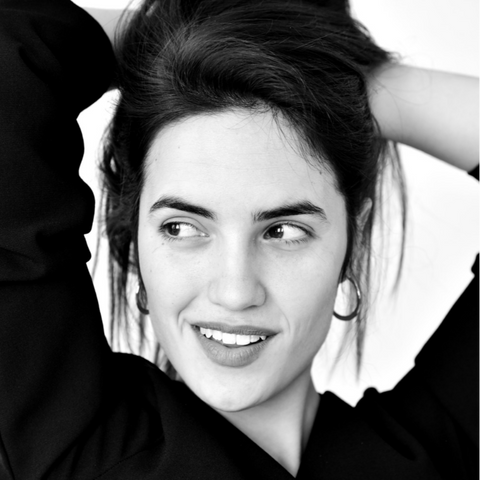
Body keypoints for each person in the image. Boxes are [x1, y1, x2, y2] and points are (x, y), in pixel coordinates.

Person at [0, 0, 478, 479]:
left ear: (352, 243)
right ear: (134, 235)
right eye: (181, 228)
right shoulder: (70, 445)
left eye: (283, 231)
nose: (235, 292)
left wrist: (340, 85)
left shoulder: (431, 461)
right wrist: (167, 44)